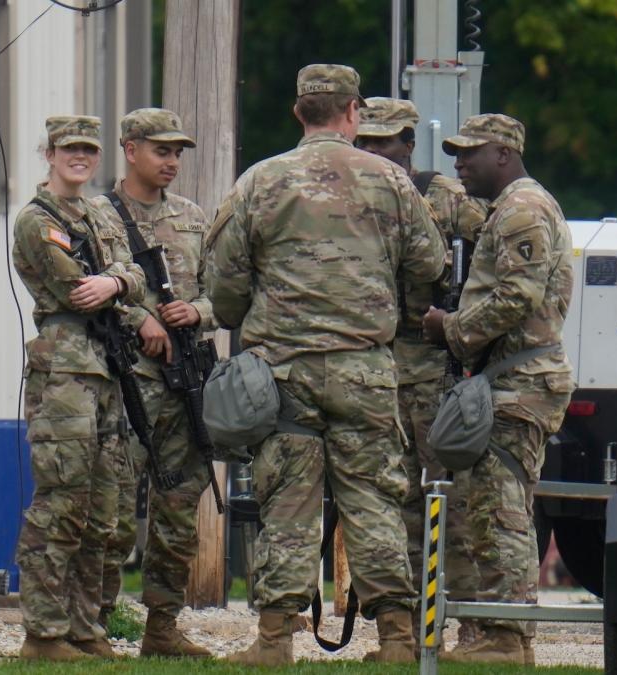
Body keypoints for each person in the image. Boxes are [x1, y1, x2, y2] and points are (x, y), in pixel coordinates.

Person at [207, 64, 446, 666]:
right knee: (374, 499)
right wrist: (397, 308)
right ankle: (396, 638)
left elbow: (226, 284)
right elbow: (428, 266)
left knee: (287, 502)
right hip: (365, 367)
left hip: (281, 373)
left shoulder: (259, 181)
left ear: (299, 112)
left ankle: (272, 642)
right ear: (353, 112)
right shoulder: (391, 180)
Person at [421, 113, 575, 665]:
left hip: (519, 383)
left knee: (502, 505)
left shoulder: (521, 210)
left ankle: (507, 637)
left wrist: (451, 328)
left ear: (504, 155)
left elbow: (517, 297)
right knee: (483, 502)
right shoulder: (510, 208)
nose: (459, 164)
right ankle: (494, 632)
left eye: (471, 153)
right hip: (506, 379)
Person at [10, 115, 146, 661]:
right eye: (70, 148)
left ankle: (85, 627)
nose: (80, 158)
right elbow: (73, 289)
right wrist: (116, 284)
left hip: (106, 368)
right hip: (64, 371)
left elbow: (133, 274)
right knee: (62, 504)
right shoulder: (35, 220)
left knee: (102, 507)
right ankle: (43, 633)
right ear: (49, 153)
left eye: (89, 149)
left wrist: (115, 280)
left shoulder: (100, 214)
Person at [356, 97, 487, 650]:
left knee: (449, 498)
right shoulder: (351, 196)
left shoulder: (444, 196)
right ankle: (402, 630)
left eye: (384, 143)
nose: (374, 153)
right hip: (377, 364)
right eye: (364, 143)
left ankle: (476, 622)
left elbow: (485, 256)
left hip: (433, 365)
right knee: (393, 500)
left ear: (408, 145)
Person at [90, 108, 214, 658]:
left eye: (177, 152)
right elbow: (83, 291)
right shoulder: (99, 217)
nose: (171, 162)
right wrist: (139, 317)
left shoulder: (192, 218)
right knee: (113, 511)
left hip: (184, 386)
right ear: (130, 149)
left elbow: (225, 290)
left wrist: (200, 312)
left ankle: (163, 626)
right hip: (126, 384)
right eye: (161, 150)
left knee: (179, 510)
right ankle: (94, 623)